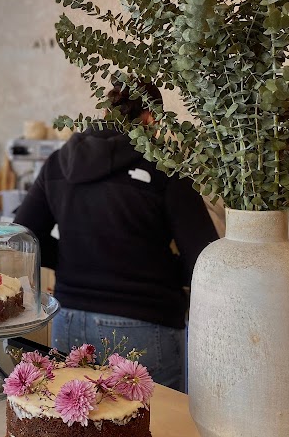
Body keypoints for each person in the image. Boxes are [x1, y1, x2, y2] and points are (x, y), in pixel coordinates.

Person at [14, 79, 218, 391]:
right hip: (144, 325)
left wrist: (73, 256)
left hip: (68, 319)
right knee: (153, 432)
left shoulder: (61, 161)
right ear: (151, 118)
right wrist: (157, 266)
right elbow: (206, 260)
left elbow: (24, 235)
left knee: (74, 431)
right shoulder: (165, 167)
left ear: (107, 110)